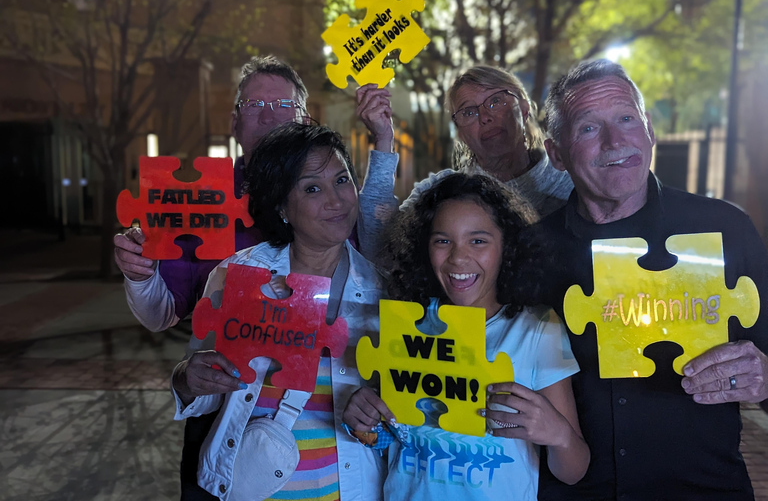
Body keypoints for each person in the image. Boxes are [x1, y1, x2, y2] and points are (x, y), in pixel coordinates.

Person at [534, 58, 768, 500]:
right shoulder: (529, 252)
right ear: (557, 154)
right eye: (588, 128)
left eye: (626, 119)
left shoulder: (726, 230)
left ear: (650, 130)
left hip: (704, 490)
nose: (614, 140)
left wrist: (766, 376)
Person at [171, 123, 387, 500]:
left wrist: (373, 422)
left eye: (342, 180)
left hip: (349, 490)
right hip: (251, 487)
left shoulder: (385, 291)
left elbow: (397, 423)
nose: (336, 200)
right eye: (312, 188)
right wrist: (189, 379)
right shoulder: (238, 276)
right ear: (282, 207)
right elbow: (201, 389)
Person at [343, 172, 589, 500]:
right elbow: (392, 443)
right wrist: (362, 422)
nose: (459, 257)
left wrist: (558, 434)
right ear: (423, 247)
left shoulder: (537, 329)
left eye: (478, 240)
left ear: (508, 246)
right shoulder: (405, 323)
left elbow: (574, 471)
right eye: (442, 240)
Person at [114, 55, 308, 332]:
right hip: (229, 369)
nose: (268, 117)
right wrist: (140, 275)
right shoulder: (198, 202)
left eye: (284, 105)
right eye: (253, 105)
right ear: (234, 125)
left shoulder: (334, 198)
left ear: (305, 120)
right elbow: (161, 316)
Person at [356, 66, 573, 259]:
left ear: (524, 109)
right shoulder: (440, 193)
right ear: (460, 133)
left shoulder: (574, 180)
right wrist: (383, 138)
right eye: (469, 112)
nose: (484, 116)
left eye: (496, 101)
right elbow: (379, 252)